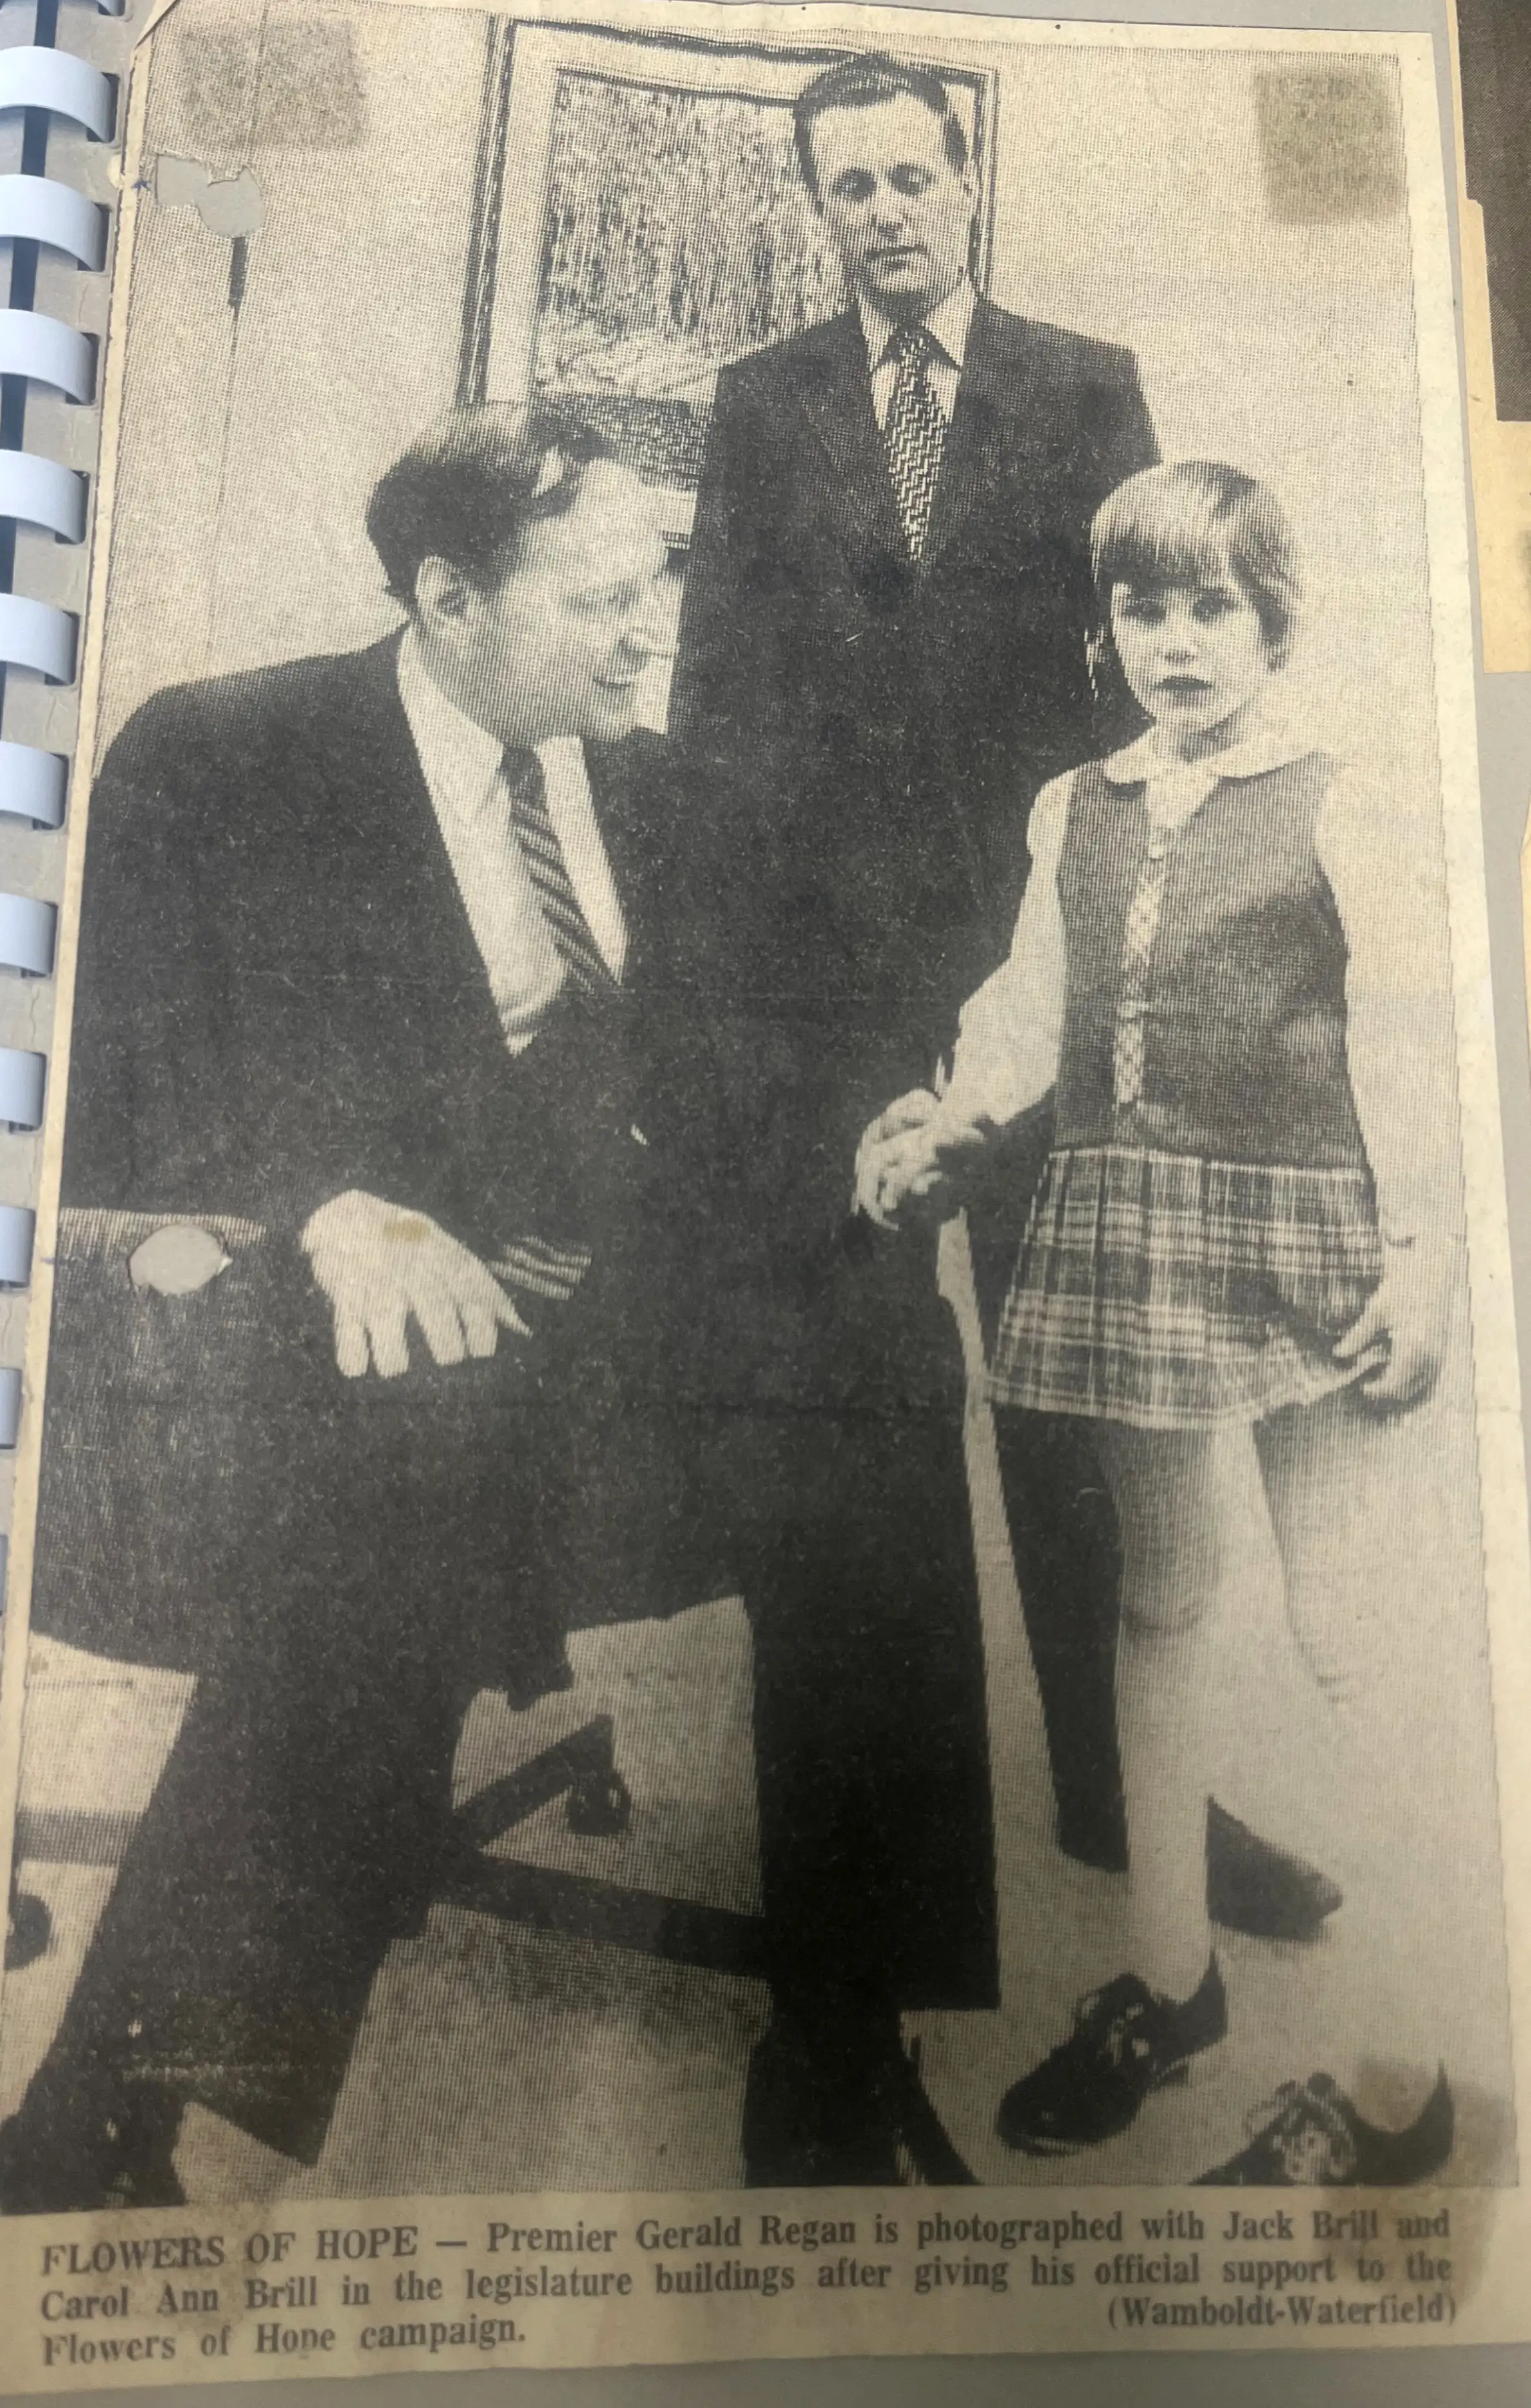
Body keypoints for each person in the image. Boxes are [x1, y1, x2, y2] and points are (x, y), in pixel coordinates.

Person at [667, 51, 1318, 2182]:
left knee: (1078, 1408)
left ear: (965, 185)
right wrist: (757, 1016)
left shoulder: (1081, 378)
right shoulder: (761, 407)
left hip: (1051, 960)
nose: (877, 212)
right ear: (814, 209)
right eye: (839, 185)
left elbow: (1132, 667)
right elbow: (716, 707)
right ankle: (850, 1970)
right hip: (827, 1003)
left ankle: (1135, 1791)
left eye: (906, 176)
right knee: (860, 1445)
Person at [0, 402, 691, 2211]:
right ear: (449, 595)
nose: (648, 631)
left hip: (602, 1292)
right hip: (320, 1307)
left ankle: (854, 2032)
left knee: (884, 1385)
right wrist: (335, 1204)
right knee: (407, 1466)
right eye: (601, 596)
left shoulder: (641, 771)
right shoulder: (231, 752)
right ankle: (118, 2112)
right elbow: (130, 1065)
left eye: (661, 582)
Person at [858, 460, 1460, 2182]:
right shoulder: (1080, 806)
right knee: (1161, 1604)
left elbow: (1409, 1035)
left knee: (1345, 1625)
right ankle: (1167, 1982)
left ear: (1273, 620)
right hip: (1129, 1230)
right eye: (1141, 605)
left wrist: (1416, 1255)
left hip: (1319, 1237)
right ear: (1105, 624)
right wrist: (953, 1115)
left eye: (1210, 606)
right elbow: (1025, 1012)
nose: (1173, 641)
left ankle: (1399, 2077)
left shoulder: (1337, 795)